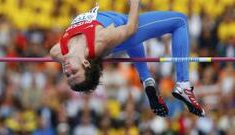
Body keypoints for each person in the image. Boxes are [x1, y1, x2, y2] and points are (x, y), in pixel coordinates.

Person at [50, 0, 205, 117]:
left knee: (128, 41)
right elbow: (131, 28)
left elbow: (58, 52)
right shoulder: (100, 40)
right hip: (125, 26)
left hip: (116, 29)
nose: (67, 70)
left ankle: (147, 79)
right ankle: (183, 84)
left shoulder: (58, 51)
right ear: (85, 63)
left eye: (68, 75)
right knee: (180, 21)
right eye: (74, 72)